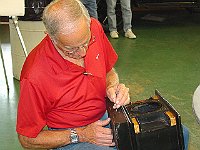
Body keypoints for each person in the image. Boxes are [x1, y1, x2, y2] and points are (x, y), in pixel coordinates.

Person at [16, 0, 130, 149]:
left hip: (106, 115)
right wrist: (81, 134)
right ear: (51, 37)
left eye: (86, 42)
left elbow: (108, 71)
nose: (82, 53)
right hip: (70, 133)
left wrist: (112, 86)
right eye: (71, 49)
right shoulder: (35, 75)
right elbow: (26, 139)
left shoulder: (94, 27)